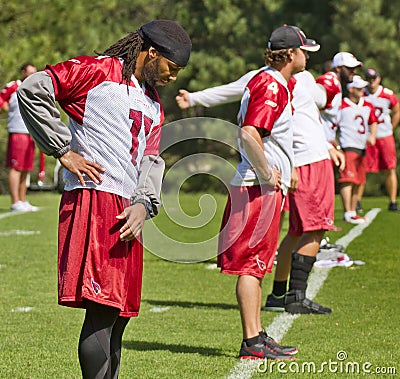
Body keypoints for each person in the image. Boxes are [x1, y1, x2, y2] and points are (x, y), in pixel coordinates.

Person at [17, 20, 191, 378]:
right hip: (95, 202)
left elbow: (151, 159)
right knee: (100, 312)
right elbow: (33, 89)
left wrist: (144, 204)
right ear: (152, 53)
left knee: (117, 319)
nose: (174, 78)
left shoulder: (152, 101)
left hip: (128, 211)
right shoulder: (97, 70)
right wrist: (62, 150)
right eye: (172, 69)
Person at [217, 25, 321, 360]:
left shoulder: (273, 82)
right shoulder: (271, 85)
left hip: (259, 187)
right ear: (291, 54)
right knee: (252, 264)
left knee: (258, 264)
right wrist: (267, 173)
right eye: (305, 51)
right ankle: (251, 341)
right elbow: (249, 133)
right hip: (256, 188)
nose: (307, 57)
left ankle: (257, 335)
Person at [337, 76, 378, 224]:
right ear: (351, 89)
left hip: (362, 147)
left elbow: (373, 121)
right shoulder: (342, 106)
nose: (362, 91)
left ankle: (353, 211)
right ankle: (347, 211)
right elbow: (332, 126)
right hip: (348, 145)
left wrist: (372, 135)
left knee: (358, 181)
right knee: (347, 179)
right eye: (359, 88)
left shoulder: (367, 105)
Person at [0, 62, 39, 212]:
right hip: (17, 131)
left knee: (25, 168)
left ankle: (23, 200)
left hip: (30, 132)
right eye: (29, 73)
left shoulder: (33, 88)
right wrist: (5, 108)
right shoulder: (13, 86)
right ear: (23, 72)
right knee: (16, 167)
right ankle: (15, 201)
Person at [361, 68, 400, 212]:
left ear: (379, 78)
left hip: (384, 135)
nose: (372, 82)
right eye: (369, 79)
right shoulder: (362, 93)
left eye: (374, 78)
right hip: (367, 137)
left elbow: (397, 111)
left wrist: (391, 127)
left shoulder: (387, 94)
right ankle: (357, 201)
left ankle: (393, 200)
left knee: (389, 168)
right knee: (362, 168)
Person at [316, 52, 362, 145]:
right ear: (338, 68)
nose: (354, 72)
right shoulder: (330, 82)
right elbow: (309, 107)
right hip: (319, 143)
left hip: (326, 141)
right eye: (350, 69)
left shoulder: (336, 83)